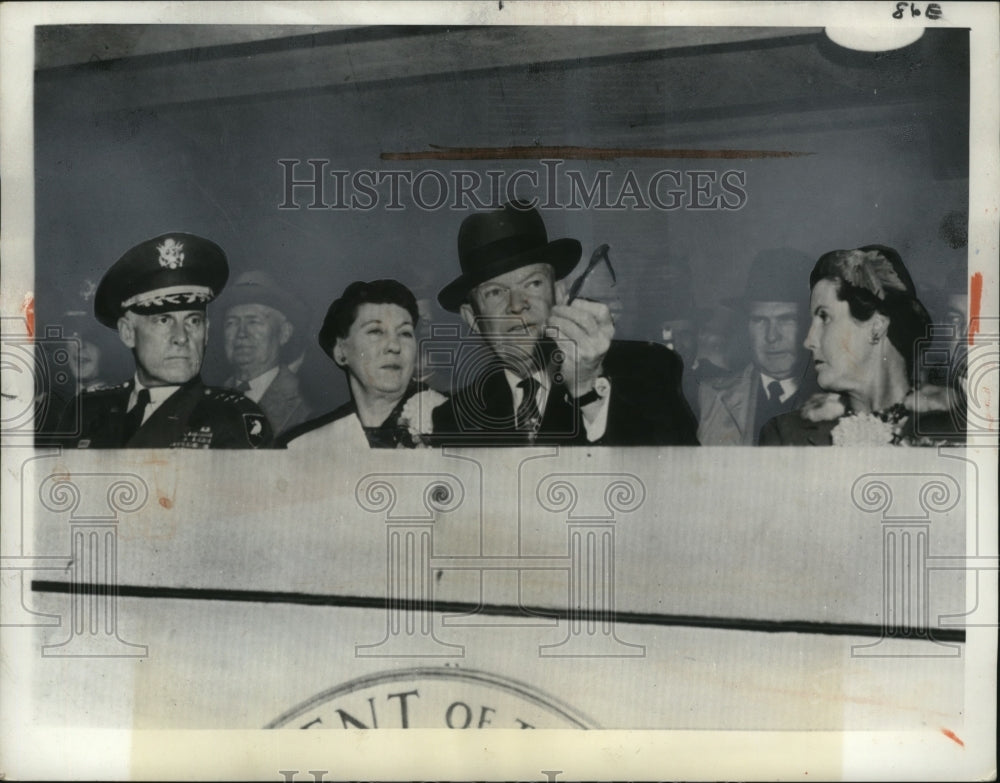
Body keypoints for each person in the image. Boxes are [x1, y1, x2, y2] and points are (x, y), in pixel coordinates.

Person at [430, 201, 698, 446]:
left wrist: (586, 390)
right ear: (473, 319)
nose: (516, 304)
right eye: (495, 292)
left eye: (532, 283)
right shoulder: (455, 418)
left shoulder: (647, 370)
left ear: (558, 294)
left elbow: (678, 481)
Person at [58, 233, 272, 448]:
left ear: (206, 331)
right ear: (128, 332)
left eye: (193, 321)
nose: (181, 337)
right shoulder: (86, 412)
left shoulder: (233, 418)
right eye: (163, 320)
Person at [760, 245, 964, 446]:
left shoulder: (959, 429)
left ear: (876, 327)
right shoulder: (785, 436)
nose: (809, 341)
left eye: (825, 317)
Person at [280, 279, 446, 449]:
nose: (394, 346)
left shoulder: (452, 421)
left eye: (405, 333)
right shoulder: (305, 445)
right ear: (341, 351)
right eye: (375, 331)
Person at [698, 249, 820, 446]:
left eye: (787, 319)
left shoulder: (842, 400)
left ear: (811, 324)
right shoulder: (710, 398)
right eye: (759, 320)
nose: (772, 336)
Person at [220, 270, 312, 437]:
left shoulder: (308, 402)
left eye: (253, 321)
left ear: (284, 333)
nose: (241, 333)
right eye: (231, 323)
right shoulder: (206, 401)